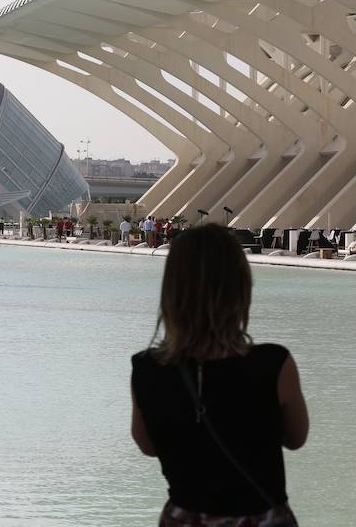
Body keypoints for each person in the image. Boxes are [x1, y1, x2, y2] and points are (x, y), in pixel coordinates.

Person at [131, 224, 308, 526]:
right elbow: (296, 438)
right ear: (240, 287)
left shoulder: (146, 368)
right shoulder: (274, 363)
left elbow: (148, 446)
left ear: (172, 290)